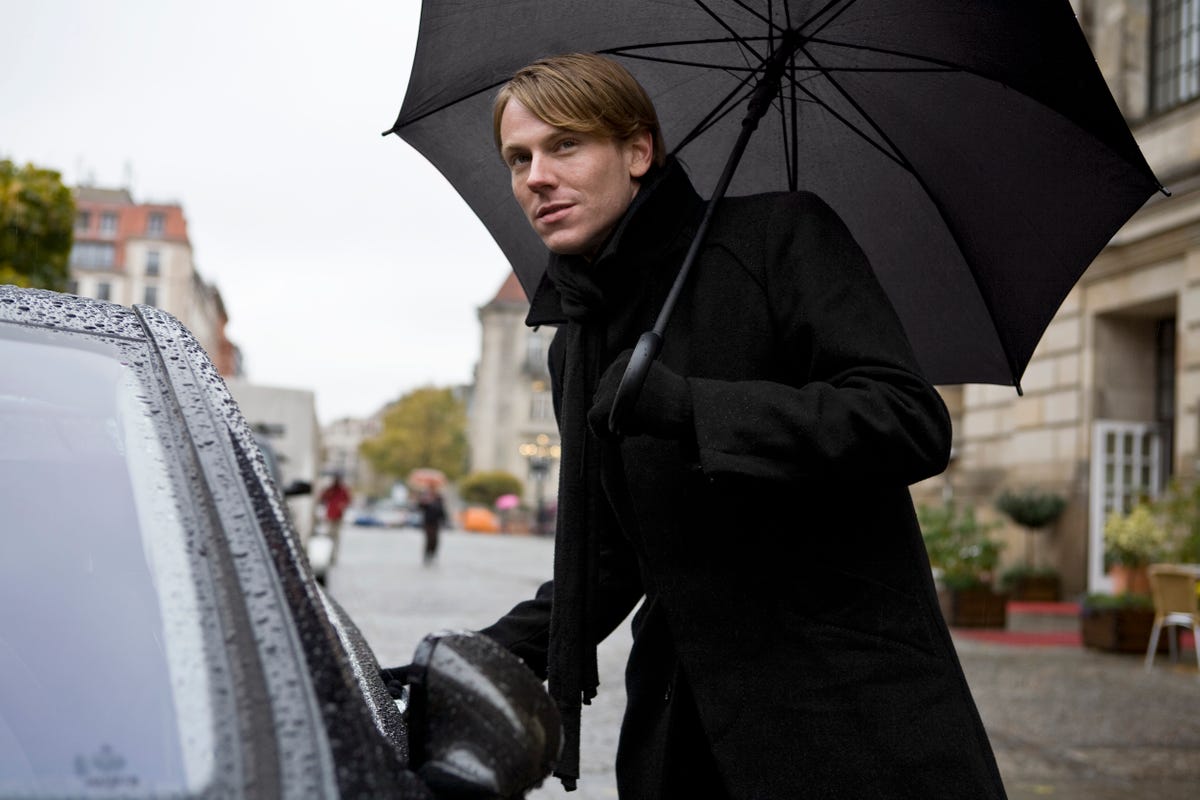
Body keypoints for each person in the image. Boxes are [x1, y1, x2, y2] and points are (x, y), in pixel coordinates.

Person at [401, 53, 1008, 798]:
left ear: (636, 150)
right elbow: (610, 559)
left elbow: (909, 420)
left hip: (848, 713)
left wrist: (693, 408)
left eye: (566, 145)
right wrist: (469, 658)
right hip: (683, 735)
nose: (536, 177)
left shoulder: (781, 239)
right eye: (518, 158)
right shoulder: (576, 344)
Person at [317, 474, 351, 560]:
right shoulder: (330, 489)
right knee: (328, 535)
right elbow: (322, 498)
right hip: (330, 515)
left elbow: (348, 500)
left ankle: (333, 556)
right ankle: (327, 554)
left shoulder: (343, 490)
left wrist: (342, 505)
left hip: (338, 515)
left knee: (335, 536)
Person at [417, 487, 446, 565]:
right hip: (428, 523)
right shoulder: (426, 498)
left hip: (436, 523)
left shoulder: (439, 499)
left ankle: (432, 554)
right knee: (429, 539)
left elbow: (442, 511)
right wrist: (423, 501)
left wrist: (444, 520)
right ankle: (427, 555)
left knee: (435, 540)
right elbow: (419, 507)